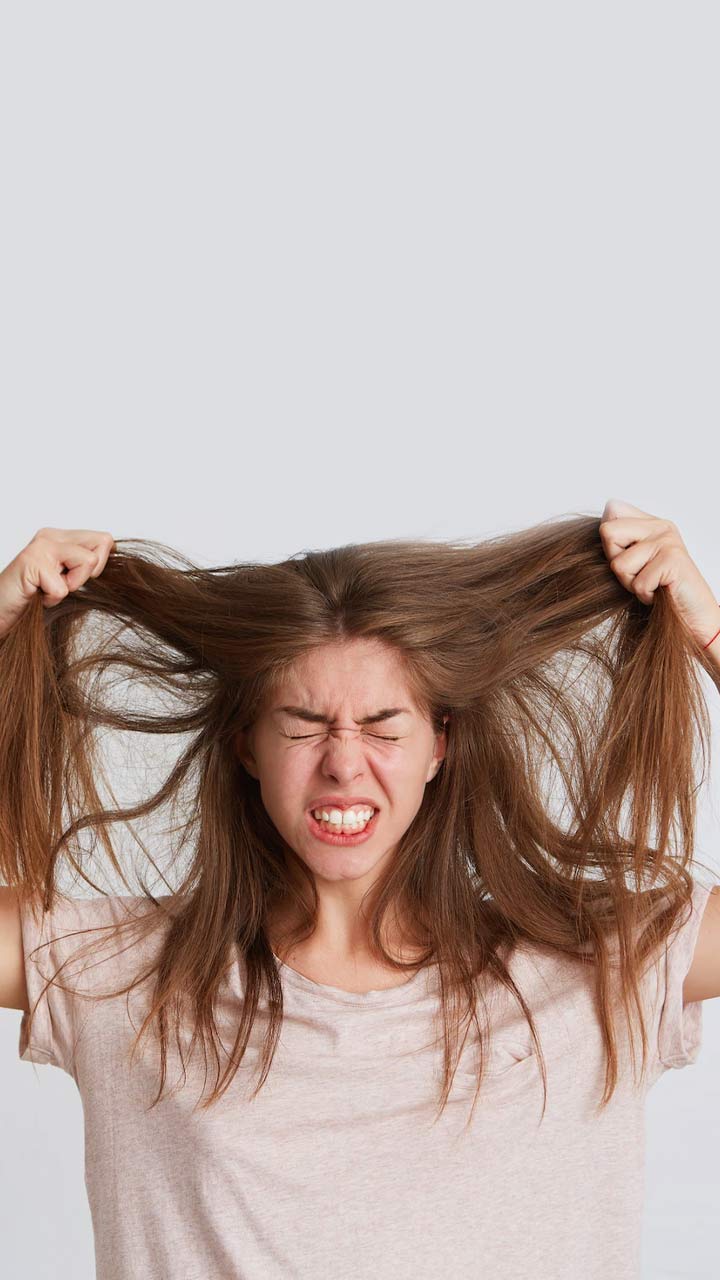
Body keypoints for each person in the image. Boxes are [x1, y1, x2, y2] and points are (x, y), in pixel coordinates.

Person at [0, 512, 718, 1280]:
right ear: (247, 745)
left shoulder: (595, 968)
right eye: (304, 725)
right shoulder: (125, 977)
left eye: (383, 727)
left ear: (439, 744)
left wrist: (710, 635)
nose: (344, 764)